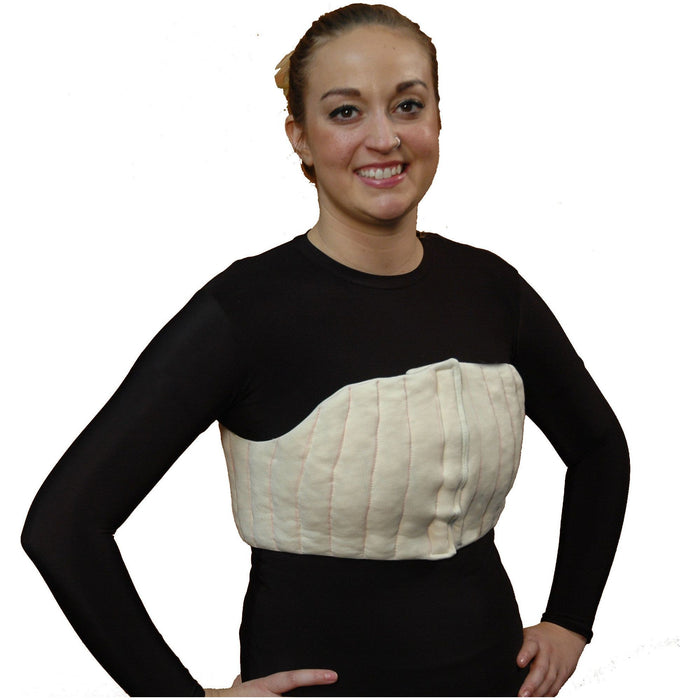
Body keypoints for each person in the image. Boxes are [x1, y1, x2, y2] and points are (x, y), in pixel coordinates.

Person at [21, 3, 629, 697]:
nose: (384, 138)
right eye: (345, 113)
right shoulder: (245, 312)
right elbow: (64, 526)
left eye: (408, 105)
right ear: (300, 138)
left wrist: (571, 619)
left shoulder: (492, 290)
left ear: (438, 118)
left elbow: (599, 449)